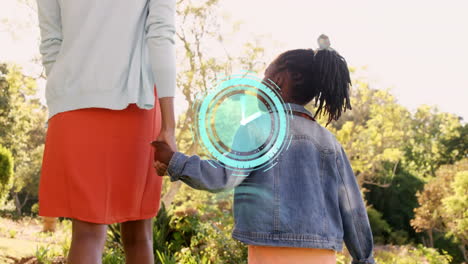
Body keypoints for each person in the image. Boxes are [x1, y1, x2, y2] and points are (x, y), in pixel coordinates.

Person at [152, 35, 375, 264]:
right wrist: (364, 259)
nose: (261, 82)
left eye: (266, 74)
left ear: (280, 78)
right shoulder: (330, 143)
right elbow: (352, 207)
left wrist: (175, 161)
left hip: (271, 251)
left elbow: (223, 177)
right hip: (322, 254)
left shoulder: (256, 128)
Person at [36, 0, 177, 263]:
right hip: (136, 102)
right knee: (139, 235)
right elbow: (161, 35)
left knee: (86, 235)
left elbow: (51, 43)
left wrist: (69, 92)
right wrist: (169, 125)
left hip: (72, 103)